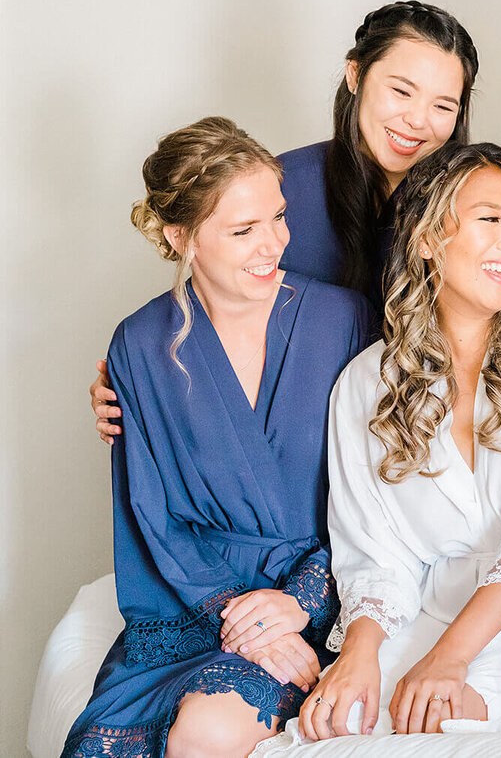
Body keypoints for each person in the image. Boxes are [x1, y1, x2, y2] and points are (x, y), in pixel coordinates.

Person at [291, 143, 501, 742]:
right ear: (424, 239)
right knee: (340, 724)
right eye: (489, 219)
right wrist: (358, 656)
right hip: (413, 622)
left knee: (450, 726)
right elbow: (374, 553)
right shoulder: (368, 383)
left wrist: (450, 658)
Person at [64, 117, 372, 757]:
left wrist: (303, 603)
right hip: (197, 607)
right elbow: (150, 513)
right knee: (103, 742)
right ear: (182, 238)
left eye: (279, 217)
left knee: (209, 727)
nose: (273, 245)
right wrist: (246, 623)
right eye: (243, 230)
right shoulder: (142, 344)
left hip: (324, 593)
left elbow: (377, 491)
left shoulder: (343, 319)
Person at [90, 0, 477, 442]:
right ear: (355, 75)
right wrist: (140, 384)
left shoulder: (476, 207)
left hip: (430, 441)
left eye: (443, 106)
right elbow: (210, 306)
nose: (417, 120)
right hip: (297, 453)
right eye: (402, 91)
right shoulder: (277, 190)